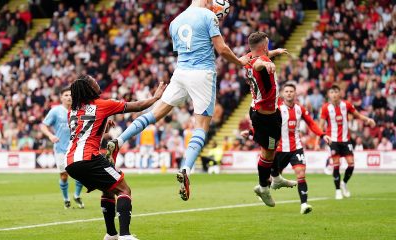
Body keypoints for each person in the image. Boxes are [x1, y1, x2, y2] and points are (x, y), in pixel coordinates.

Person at [105, 0, 250, 201]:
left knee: (155, 114)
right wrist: (240, 62)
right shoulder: (207, 16)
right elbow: (222, 49)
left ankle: (119, 140)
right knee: (201, 126)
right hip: (202, 73)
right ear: (208, 2)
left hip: (181, 72)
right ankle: (185, 169)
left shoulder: (175, 21)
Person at [65, 74, 165, 240]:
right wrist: (155, 97)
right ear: (90, 88)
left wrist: (104, 124)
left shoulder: (72, 112)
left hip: (71, 162)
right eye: (93, 81)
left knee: (108, 190)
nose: (97, 82)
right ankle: (125, 235)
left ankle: (111, 234)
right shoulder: (103, 104)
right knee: (124, 189)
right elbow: (138, 106)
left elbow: (84, 133)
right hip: (89, 158)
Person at [241, 31, 296, 207]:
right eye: (268, 45)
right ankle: (264, 187)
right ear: (264, 46)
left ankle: (277, 177)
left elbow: (258, 58)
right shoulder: (260, 62)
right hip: (266, 117)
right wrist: (267, 63)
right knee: (269, 152)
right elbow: (259, 63)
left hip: (264, 110)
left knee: (273, 147)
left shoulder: (248, 57)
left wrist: (275, 52)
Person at [271, 83, 331, 214]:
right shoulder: (278, 109)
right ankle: (263, 189)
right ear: (282, 94)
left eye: (291, 91)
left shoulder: (300, 109)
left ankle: (304, 204)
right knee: (272, 178)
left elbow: (311, 123)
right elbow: (266, 124)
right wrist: (252, 131)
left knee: (301, 174)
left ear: (295, 94)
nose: (289, 93)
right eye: (286, 91)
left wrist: (322, 135)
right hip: (280, 149)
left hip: (296, 148)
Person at [319, 85, 375, 200]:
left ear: (340, 93)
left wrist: (368, 120)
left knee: (351, 164)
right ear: (329, 95)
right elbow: (320, 125)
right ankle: (338, 190)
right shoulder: (326, 108)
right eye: (332, 92)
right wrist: (319, 138)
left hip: (345, 140)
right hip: (333, 140)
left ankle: (344, 183)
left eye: (336, 92)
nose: (334, 94)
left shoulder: (346, 105)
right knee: (336, 165)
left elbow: (358, 115)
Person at [40, 87, 84, 209]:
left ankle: (76, 195)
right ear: (61, 98)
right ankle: (66, 199)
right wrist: (50, 135)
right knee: (64, 176)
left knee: (80, 174)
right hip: (60, 148)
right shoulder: (55, 111)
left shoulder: (78, 110)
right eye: (65, 95)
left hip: (76, 147)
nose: (69, 97)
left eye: (70, 95)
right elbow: (43, 126)